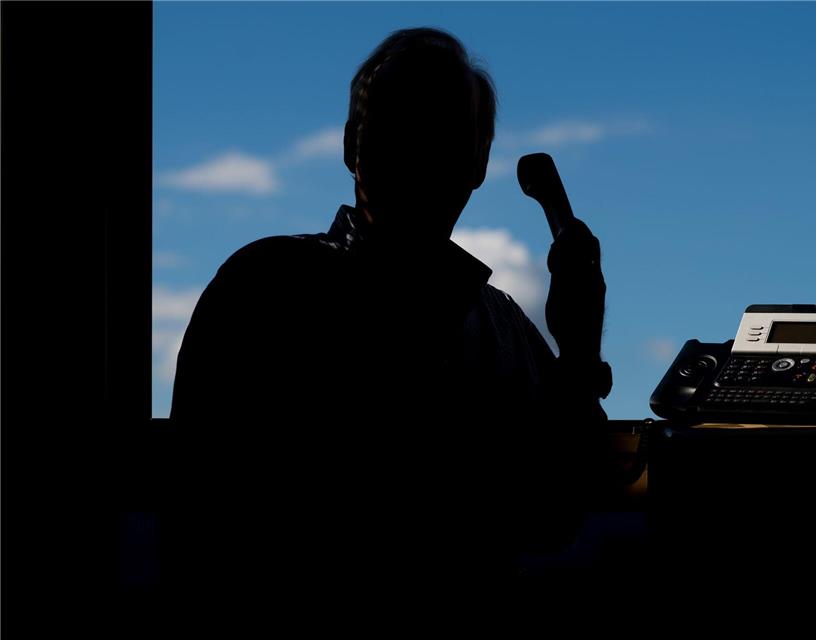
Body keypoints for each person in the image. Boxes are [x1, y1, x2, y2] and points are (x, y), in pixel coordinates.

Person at [167, 27, 614, 600]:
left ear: (478, 165)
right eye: (402, 121)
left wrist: (577, 351)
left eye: (446, 129)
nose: (422, 146)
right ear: (354, 145)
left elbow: (553, 518)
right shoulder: (265, 288)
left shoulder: (502, 324)